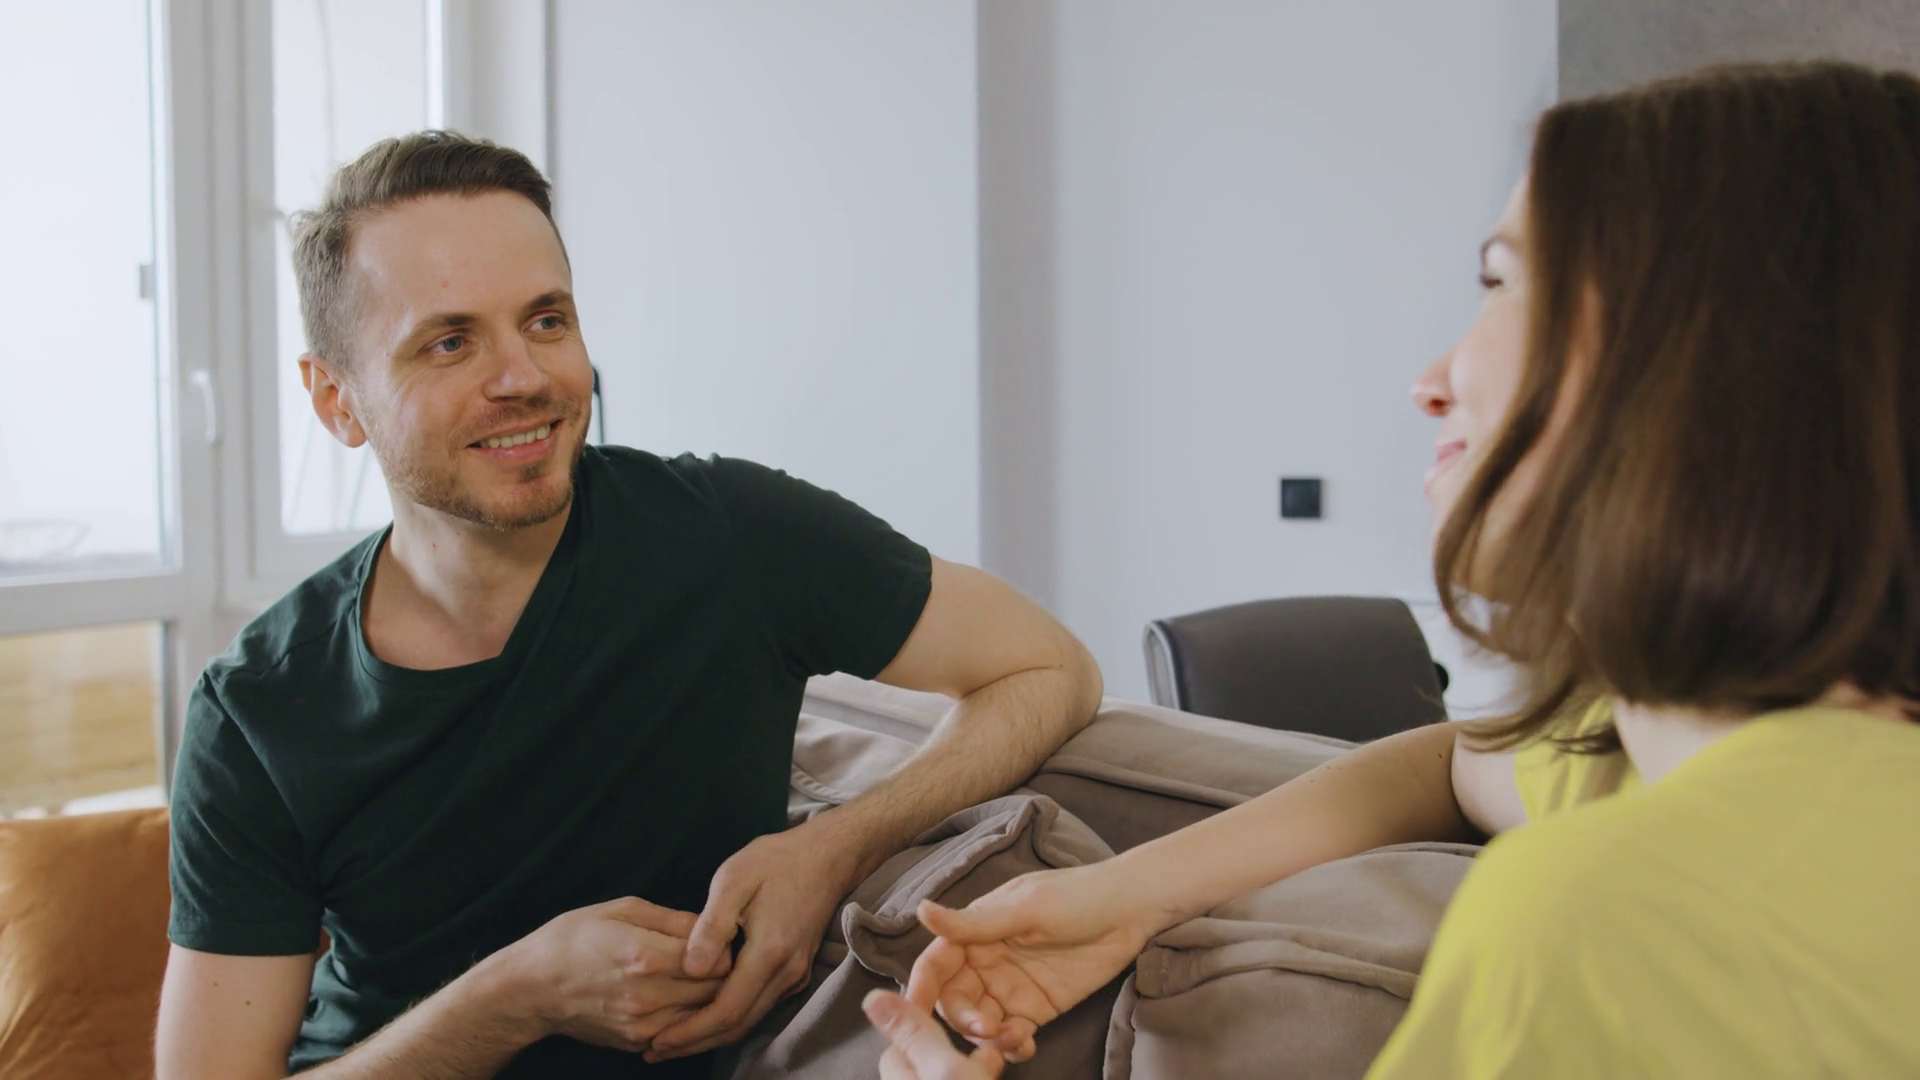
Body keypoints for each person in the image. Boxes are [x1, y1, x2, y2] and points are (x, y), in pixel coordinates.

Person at [868, 60, 1920, 1079]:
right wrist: (1126, 897)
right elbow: (1461, 762)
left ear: (1698, 365)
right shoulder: (1662, 748)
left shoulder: (1606, 923)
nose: (1430, 381)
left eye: (1501, 282)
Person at [153, 131, 1105, 1080]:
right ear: (337, 400)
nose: (524, 378)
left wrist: (835, 847)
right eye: (450, 342)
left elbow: (1050, 667)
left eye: (546, 320)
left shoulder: (732, 537)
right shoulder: (257, 710)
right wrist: (515, 996)